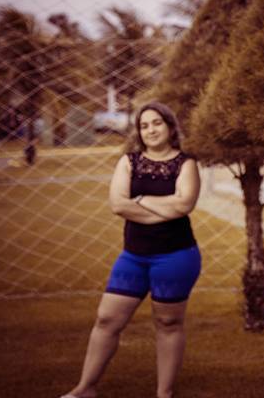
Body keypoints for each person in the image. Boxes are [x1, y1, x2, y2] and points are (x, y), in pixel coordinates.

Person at [62, 102, 201, 398]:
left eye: (157, 123)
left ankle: (164, 393)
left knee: (168, 322)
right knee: (106, 319)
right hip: (134, 257)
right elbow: (117, 205)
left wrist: (139, 200)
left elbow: (184, 204)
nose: (151, 130)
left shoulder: (186, 163)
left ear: (170, 126)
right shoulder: (128, 161)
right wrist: (164, 208)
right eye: (144, 125)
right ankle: (85, 389)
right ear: (139, 132)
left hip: (175, 256)